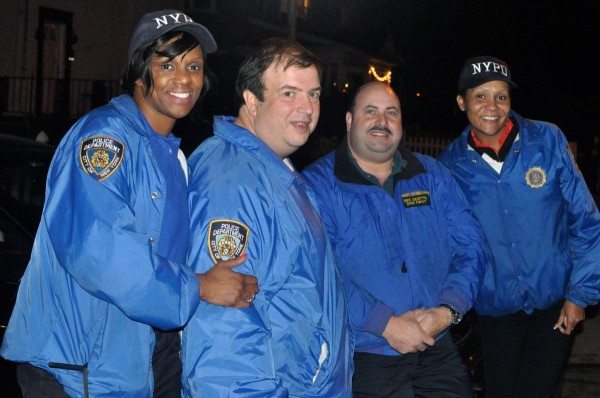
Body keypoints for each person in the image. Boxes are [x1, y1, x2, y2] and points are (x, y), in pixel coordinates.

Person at [0, 9, 258, 397]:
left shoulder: (171, 154)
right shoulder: (105, 139)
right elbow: (100, 252)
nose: (184, 78)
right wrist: (199, 287)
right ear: (140, 71)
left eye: (194, 66)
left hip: (139, 360)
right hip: (79, 369)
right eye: (167, 64)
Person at [181, 38, 353, 397]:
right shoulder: (232, 182)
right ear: (251, 99)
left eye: (315, 94)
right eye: (289, 93)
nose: (307, 107)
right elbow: (222, 338)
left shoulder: (272, 169)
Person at [301, 81, 488, 397]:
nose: (381, 121)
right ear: (349, 121)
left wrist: (447, 310)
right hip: (362, 352)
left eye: (391, 113)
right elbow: (318, 272)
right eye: (370, 111)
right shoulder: (317, 187)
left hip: (434, 341)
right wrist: (384, 324)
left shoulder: (432, 175)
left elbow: (472, 246)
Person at [439, 55, 600, 397]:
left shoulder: (547, 141)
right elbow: (452, 243)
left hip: (555, 303)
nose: (492, 106)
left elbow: (586, 221)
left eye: (501, 95)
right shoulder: (450, 167)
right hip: (496, 310)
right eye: (480, 95)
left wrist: (579, 294)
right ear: (461, 101)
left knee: (540, 389)